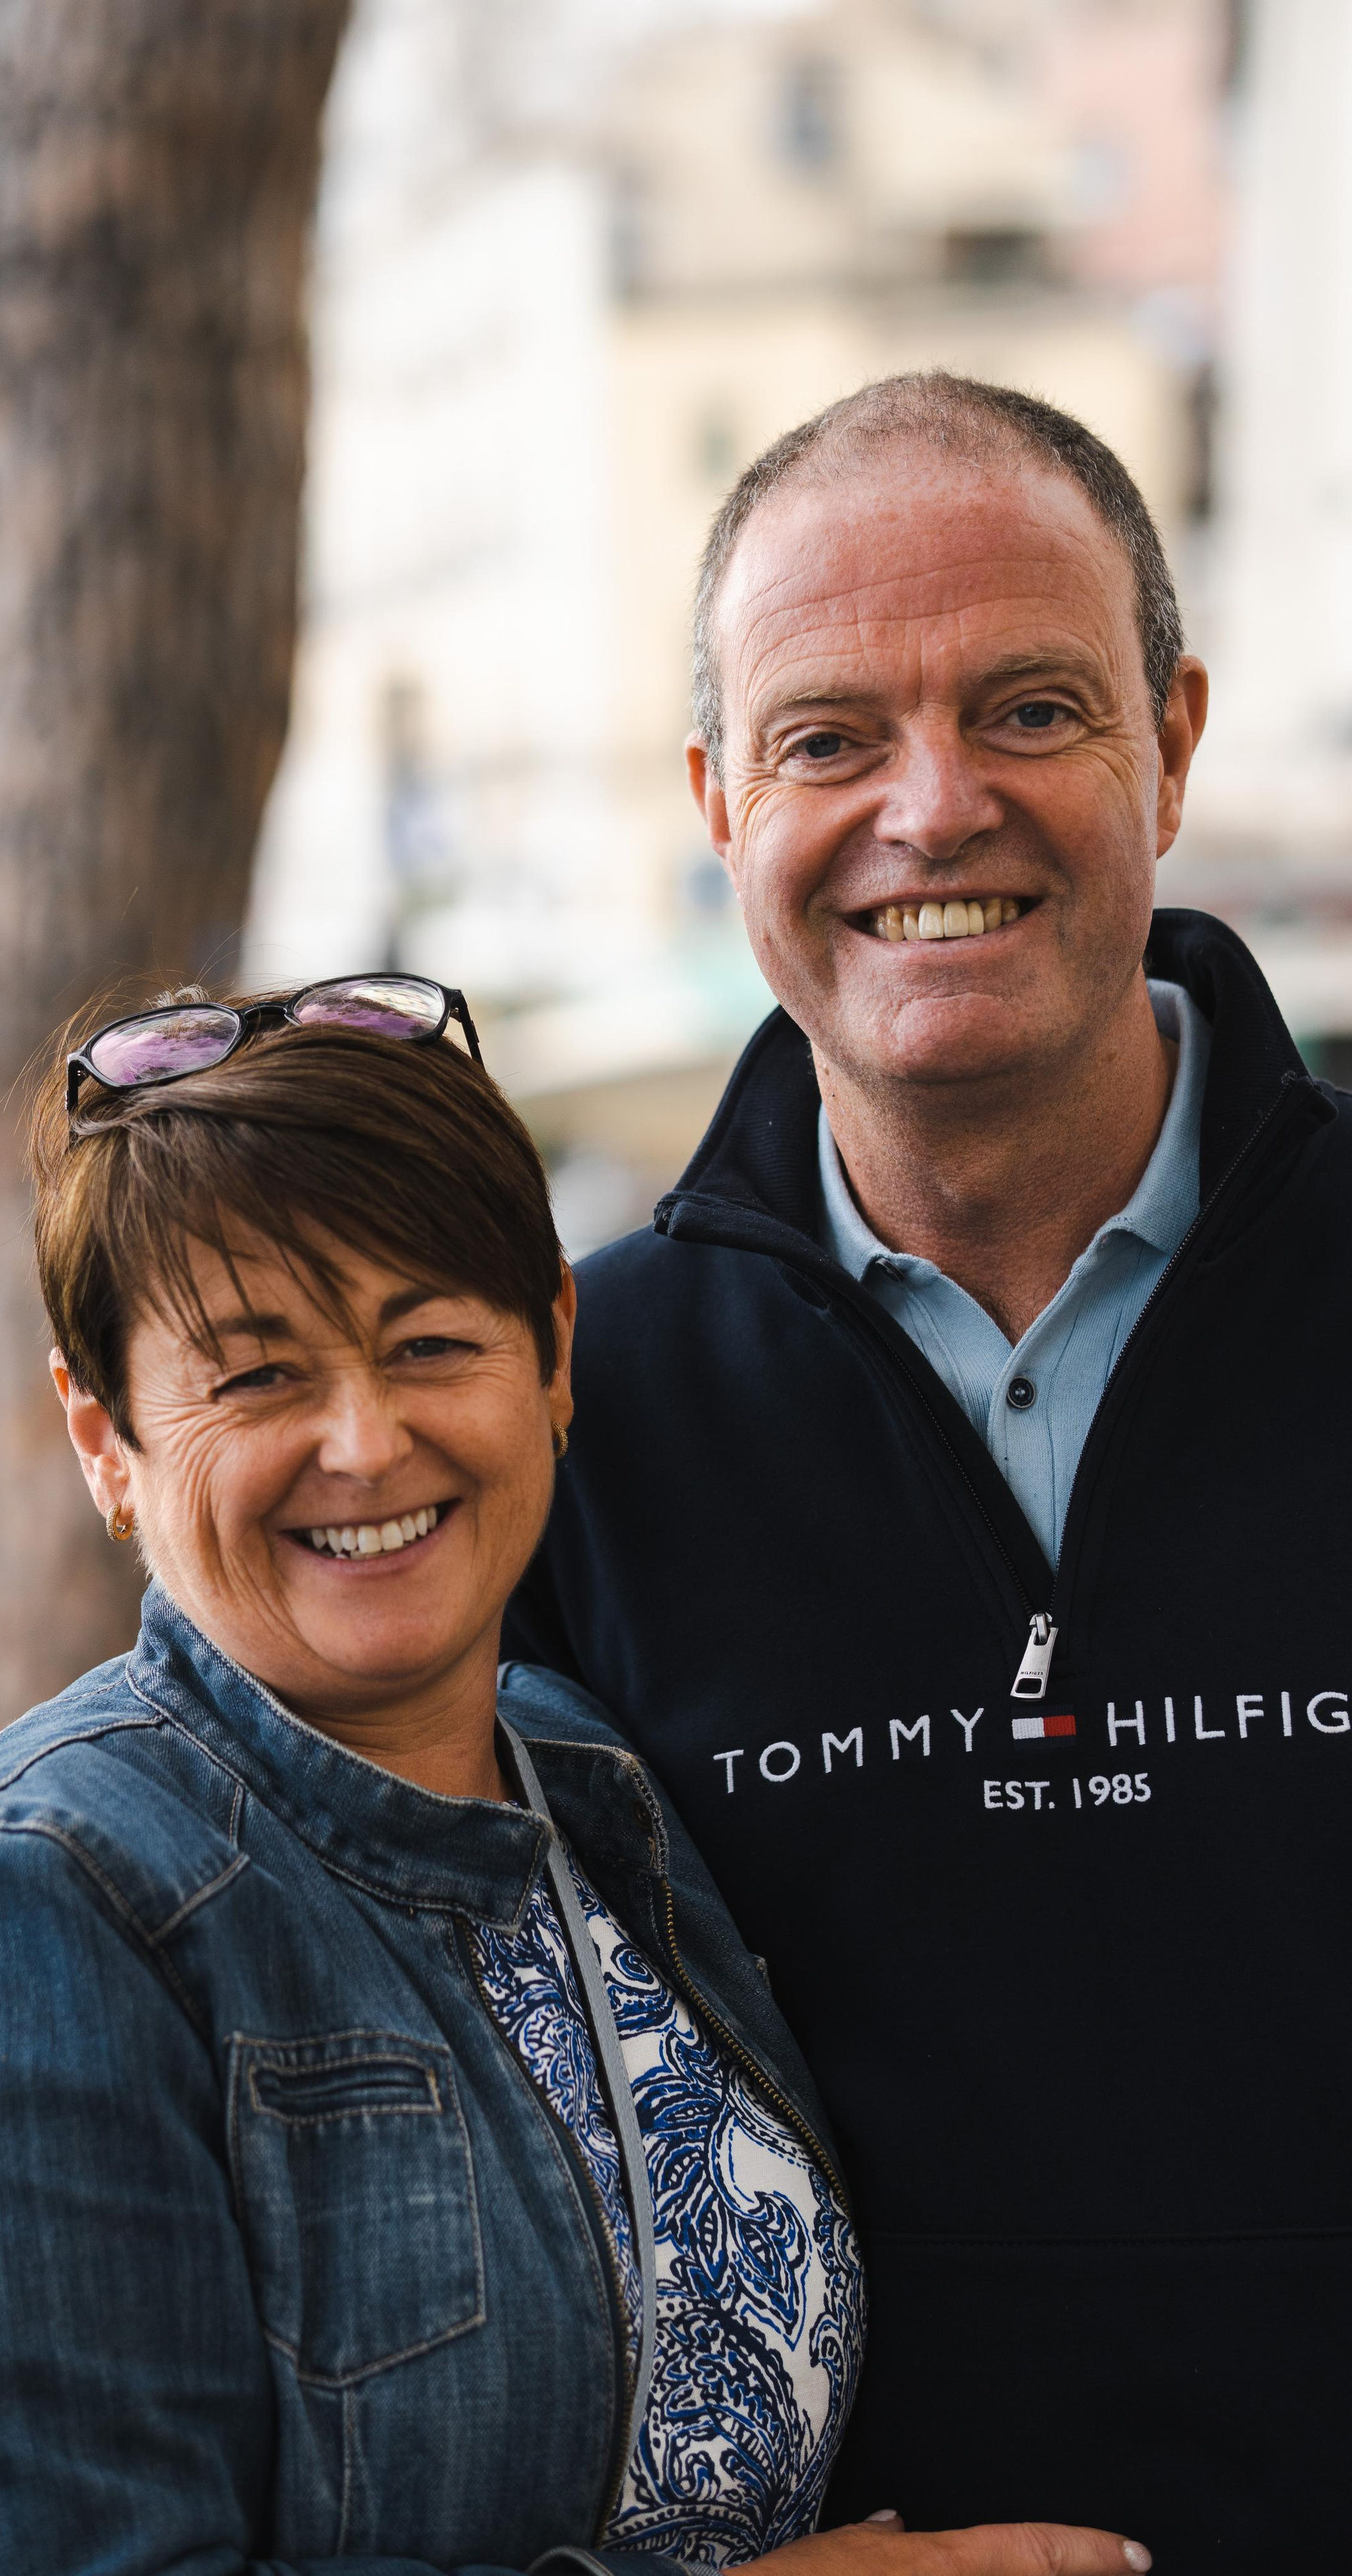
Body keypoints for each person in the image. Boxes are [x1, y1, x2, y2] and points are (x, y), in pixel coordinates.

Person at [0, 977, 1147, 2576]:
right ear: (102, 1441)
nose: (363, 1441)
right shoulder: (32, 1906)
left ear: (554, 1355)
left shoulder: (585, 1785)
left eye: (428, 1340)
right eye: (255, 1375)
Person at [504, 373, 1351, 2569]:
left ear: (1171, 741)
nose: (933, 806)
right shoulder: (547, 1420)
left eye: (1031, 709)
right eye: (829, 739)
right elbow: (316, 2019)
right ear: (718, 797)